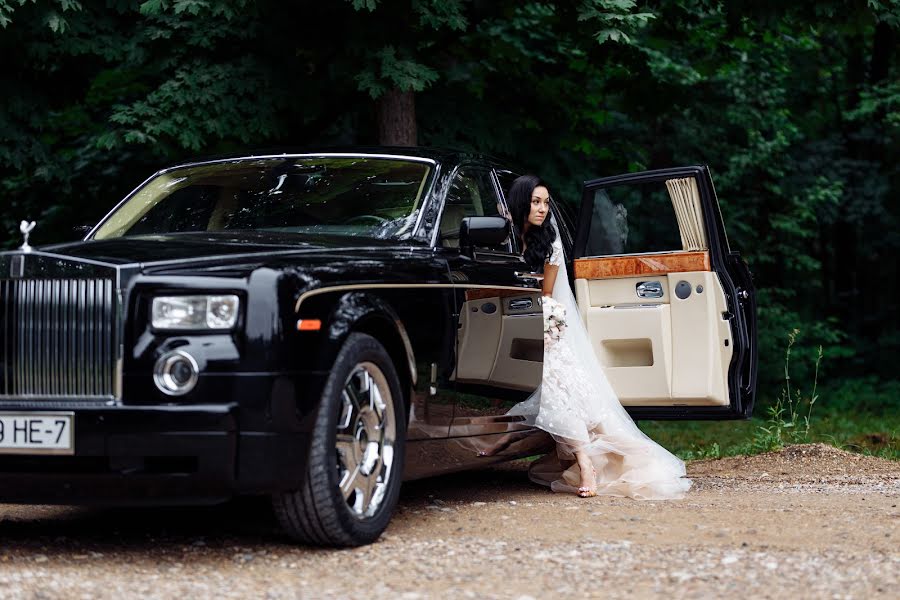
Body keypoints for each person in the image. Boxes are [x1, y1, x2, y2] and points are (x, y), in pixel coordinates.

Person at [487, 174, 691, 500]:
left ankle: (586, 465)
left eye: (545, 202)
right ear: (521, 204)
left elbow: (547, 294)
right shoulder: (506, 239)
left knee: (556, 385)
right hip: (515, 322)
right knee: (577, 405)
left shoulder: (549, 244)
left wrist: (545, 329)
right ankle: (508, 437)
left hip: (546, 323)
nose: (542, 209)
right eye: (535, 202)